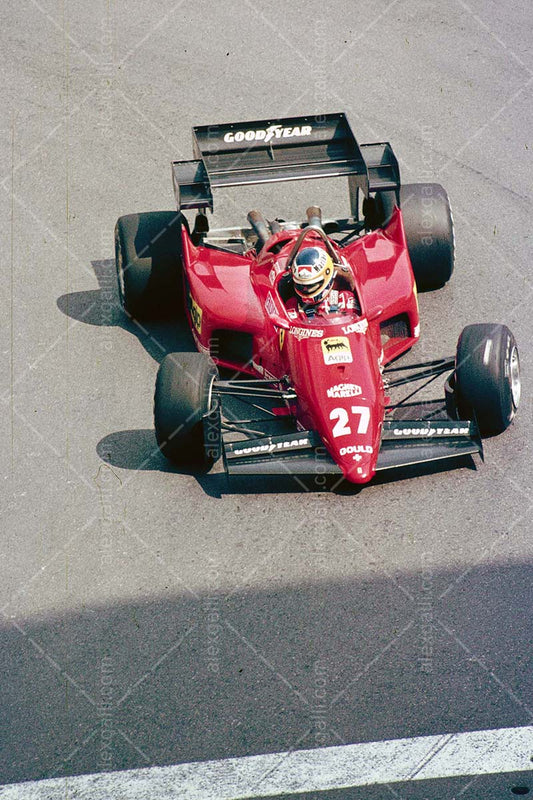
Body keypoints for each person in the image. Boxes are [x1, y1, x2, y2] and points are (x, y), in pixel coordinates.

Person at [285, 245, 359, 318]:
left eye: (311, 286)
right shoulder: (292, 304)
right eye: (301, 285)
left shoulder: (345, 298)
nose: (305, 289)